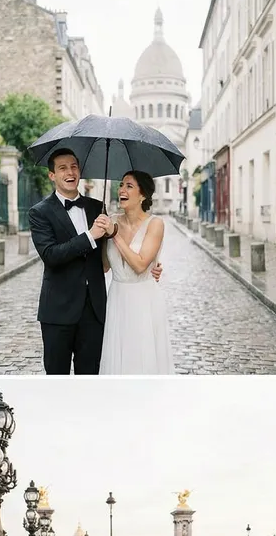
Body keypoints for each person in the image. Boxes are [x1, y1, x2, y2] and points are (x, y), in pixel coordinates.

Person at [29, 149, 162, 374]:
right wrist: (90, 236)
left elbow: (109, 259)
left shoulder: (96, 209)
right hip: (58, 311)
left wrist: (152, 266)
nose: (70, 172)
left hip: (96, 311)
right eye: (62, 168)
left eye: (74, 166)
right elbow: (51, 255)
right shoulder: (39, 212)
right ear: (52, 175)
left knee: (92, 377)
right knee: (55, 378)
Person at [97, 170, 175, 374]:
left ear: (143, 195)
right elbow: (105, 266)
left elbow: (140, 265)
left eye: (129, 186)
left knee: (143, 355)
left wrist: (114, 235)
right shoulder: (111, 219)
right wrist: (101, 236)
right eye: (121, 185)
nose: (121, 189)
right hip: (118, 298)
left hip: (144, 301)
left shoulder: (155, 224)